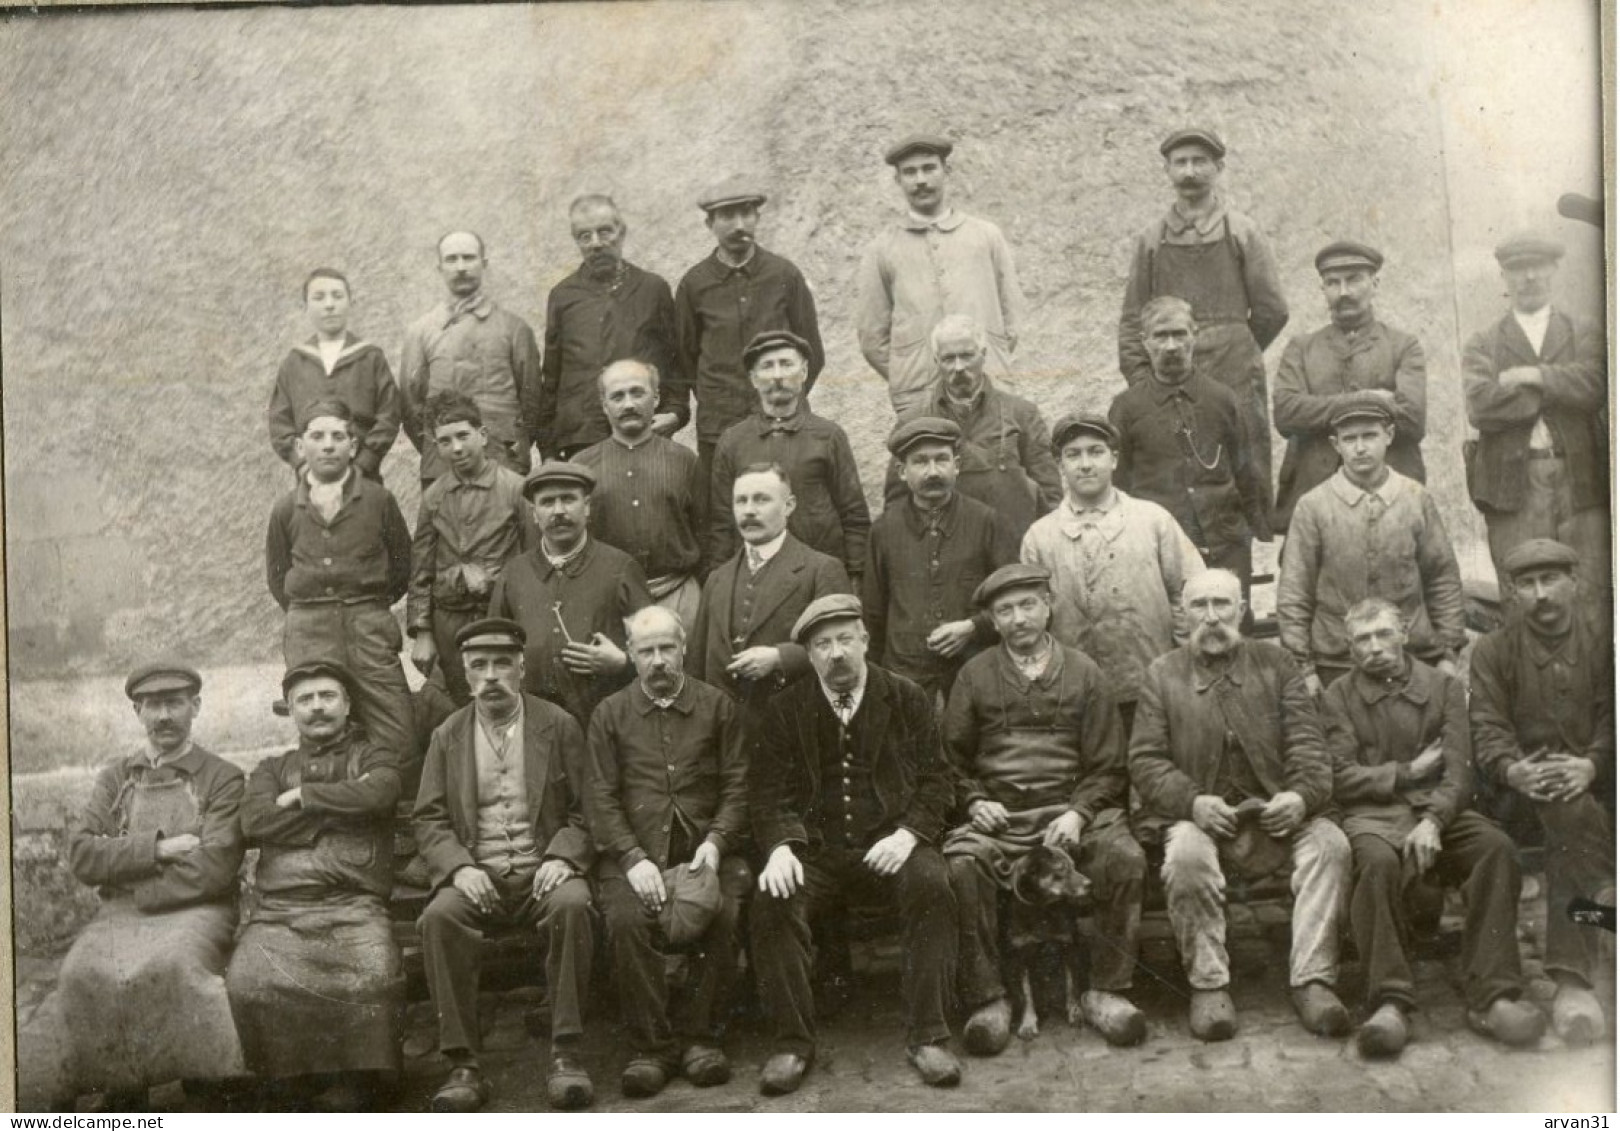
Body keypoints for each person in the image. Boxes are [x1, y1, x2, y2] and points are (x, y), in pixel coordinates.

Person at [748, 594, 961, 1094]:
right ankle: (792, 1042)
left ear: (865, 640)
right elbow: (767, 793)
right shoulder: (786, 709)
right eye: (822, 644)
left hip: (891, 843)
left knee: (932, 882)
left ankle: (929, 1034)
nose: (836, 653)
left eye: (846, 639)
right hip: (816, 853)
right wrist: (780, 846)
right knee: (772, 898)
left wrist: (908, 835)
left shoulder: (905, 697)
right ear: (809, 654)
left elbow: (937, 781)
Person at [1129, 570, 1351, 1041]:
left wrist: (1300, 795)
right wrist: (1193, 802)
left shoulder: (1277, 664)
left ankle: (1312, 979)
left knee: (1331, 846)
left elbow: (1310, 746)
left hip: (1276, 810)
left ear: (1243, 610)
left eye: (1222, 605)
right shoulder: (1162, 673)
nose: (1212, 618)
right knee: (1185, 857)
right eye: (1200, 606)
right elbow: (1145, 761)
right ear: (1182, 615)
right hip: (1200, 816)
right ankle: (1209, 984)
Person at [1323, 598, 1544, 1058]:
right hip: (1373, 814)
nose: (1375, 648)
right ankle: (1390, 1000)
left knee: (1494, 848)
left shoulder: (1443, 687)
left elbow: (1460, 769)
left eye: (1384, 634)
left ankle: (1494, 994)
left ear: (1403, 633)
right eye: (1363, 640)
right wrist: (1403, 773)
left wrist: (1433, 820)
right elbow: (1338, 774)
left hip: (1438, 809)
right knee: (1378, 863)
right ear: (1349, 647)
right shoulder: (1337, 697)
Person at [943, 564, 1148, 1055]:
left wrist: (1078, 812)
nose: (1018, 619)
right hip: (1002, 818)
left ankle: (1105, 988)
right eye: (1005, 610)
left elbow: (1108, 765)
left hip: (1073, 811)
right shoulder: (974, 675)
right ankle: (990, 999)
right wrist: (975, 801)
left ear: (1048, 606)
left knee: (1123, 859)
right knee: (962, 868)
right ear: (993, 620)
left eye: (1028, 605)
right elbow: (948, 761)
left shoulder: (1084, 672)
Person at [412, 619, 597, 1111]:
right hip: (479, 875)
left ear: (521, 667)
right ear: (466, 675)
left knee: (573, 903)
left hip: (543, 872)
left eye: (501, 664)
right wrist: (458, 868)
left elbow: (588, 810)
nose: (490, 676)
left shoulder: (557, 725)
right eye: (479, 666)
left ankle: (566, 1053)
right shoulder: (448, 735)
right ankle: (463, 1063)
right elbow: (428, 816)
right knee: (438, 917)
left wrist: (562, 854)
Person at [58, 661, 245, 1109]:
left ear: (194, 707)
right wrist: (157, 850)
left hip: (198, 908)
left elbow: (216, 865)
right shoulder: (117, 778)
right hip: (119, 915)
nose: (164, 716)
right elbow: (82, 855)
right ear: (137, 713)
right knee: (80, 972)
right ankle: (122, 1086)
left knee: (177, 967)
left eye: (174, 703)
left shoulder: (222, 777)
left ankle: (207, 1080)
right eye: (152, 705)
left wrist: (132, 881)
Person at [584, 606, 752, 1097]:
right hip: (633, 854)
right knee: (625, 920)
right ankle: (652, 1047)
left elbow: (739, 787)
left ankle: (702, 1038)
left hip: (706, 849)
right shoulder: (609, 715)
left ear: (682, 649)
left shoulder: (718, 706)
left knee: (725, 908)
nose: (658, 660)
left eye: (667, 649)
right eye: (646, 651)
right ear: (631, 655)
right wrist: (633, 859)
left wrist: (717, 844)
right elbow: (600, 797)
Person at [226, 661, 405, 1110]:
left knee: (370, 977)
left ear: (347, 706)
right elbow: (254, 819)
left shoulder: (373, 756)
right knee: (249, 979)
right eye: (304, 700)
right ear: (290, 711)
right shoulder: (272, 769)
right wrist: (335, 819)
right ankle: (291, 1077)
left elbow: (381, 793)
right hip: (280, 912)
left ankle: (362, 1080)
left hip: (354, 905)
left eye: (328, 696)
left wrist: (307, 797)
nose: (317, 707)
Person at [1469, 539, 1614, 1046]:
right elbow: (1486, 725)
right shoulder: (1493, 652)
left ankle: (1574, 973)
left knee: (1575, 814)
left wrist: (1592, 764)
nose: (1540, 595)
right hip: (1515, 797)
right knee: (1565, 817)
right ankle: (1586, 937)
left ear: (1575, 582)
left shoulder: (1605, 646)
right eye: (1527, 585)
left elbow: (1612, 719)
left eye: (1550, 580)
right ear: (1512, 594)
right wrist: (1511, 769)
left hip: (1593, 787)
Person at [1118, 127, 1288, 515]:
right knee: (1174, 461)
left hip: (1233, 368)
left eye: (1200, 161)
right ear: (1167, 170)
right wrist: (1145, 380)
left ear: (1219, 167)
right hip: (1171, 371)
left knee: (1242, 459)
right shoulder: (1151, 240)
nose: (1190, 171)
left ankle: (1248, 551)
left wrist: (1237, 344)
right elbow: (1132, 318)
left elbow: (1272, 309)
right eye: (1181, 162)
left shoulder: (1243, 231)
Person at [1020, 411, 1202, 734]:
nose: (1085, 464)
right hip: (1076, 695)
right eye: (1073, 455)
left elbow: (1190, 593)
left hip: (1152, 685)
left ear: (1114, 459)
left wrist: (1185, 664)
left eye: (1096, 452)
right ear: (1060, 466)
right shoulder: (1039, 537)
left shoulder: (1152, 520)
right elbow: (1034, 620)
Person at [1277, 394, 1465, 695]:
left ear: (1389, 436)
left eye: (1370, 436)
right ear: (1335, 444)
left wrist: (1448, 654)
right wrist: (1305, 668)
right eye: (1349, 439)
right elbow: (1294, 593)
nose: (1360, 447)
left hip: (1412, 656)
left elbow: (1442, 578)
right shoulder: (1312, 506)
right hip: (1337, 663)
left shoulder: (1415, 498)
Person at [1462, 232, 1609, 615]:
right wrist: (1561, 385)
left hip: (1581, 477)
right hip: (1513, 482)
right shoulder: (1484, 342)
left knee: (1589, 588)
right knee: (1521, 589)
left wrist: (1534, 376)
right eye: (1517, 269)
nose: (1528, 277)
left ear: (1554, 269)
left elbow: (1597, 385)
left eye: (1537, 266)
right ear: (1504, 277)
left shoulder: (1585, 331)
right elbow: (1480, 405)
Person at [265, 398, 415, 772]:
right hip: (310, 629)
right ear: (301, 446)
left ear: (353, 445)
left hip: (368, 626)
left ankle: (393, 811)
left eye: (337, 436)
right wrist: (315, 611)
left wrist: (366, 605)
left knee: (396, 726)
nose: (328, 445)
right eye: (317, 436)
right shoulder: (285, 509)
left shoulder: (379, 501)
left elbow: (402, 566)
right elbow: (279, 576)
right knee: (321, 723)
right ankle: (328, 808)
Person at [673, 176, 825, 521]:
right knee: (726, 516)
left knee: (787, 508)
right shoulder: (694, 284)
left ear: (757, 217)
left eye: (746, 213)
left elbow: (811, 351)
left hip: (782, 423)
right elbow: (686, 359)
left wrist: (784, 399)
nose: (739, 225)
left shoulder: (784, 274)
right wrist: (718, 397)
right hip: (720, 426)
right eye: (727, 216)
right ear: (709, 223)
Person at [1110, 295, 1269, 615]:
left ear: (1195, 336)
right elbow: (1119, 486)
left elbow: (1246, 474)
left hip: (1226, 543)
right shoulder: (1126, 408)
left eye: (1179, 334)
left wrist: (1251, 535)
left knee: (1234, 629)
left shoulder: (1222, 399)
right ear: (1145, 343)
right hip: (1160, 549)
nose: (1171, 346)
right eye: (1161, 336)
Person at [856, 134, 1025, 416]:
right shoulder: (881, 249)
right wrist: (908, 372)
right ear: (898, 181)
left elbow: (1012, 319)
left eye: (929, 168)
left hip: (989, 388)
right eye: (909, 172)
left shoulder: (985, 236)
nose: (920, 180)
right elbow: (872, 338)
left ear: (947, 171)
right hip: (920, 395)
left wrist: (981, 364)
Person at [1273, 241, 1427, 532]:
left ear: (1375, 283)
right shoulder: (1301, 348)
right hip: (1315, 498)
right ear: (1323, 289)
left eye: (1354, 279)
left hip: (1390, 498)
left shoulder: (1403, 346)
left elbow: (1412, 419)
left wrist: (1318, 409)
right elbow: (1285, 414)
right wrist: (1368, 398)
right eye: (1332, 282)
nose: (1343, 292)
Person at [863, 417, 1018, 704]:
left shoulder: (988, 522)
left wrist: (973, 627)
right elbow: (873, 615)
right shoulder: (883, 531)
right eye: (920, 462)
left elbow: (1014, 601)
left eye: (941, 460)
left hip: (975, 672)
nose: (932, 471)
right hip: (905, 677)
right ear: (901, 471)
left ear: (956, 465)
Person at [486, 461, 651, 728]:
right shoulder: (513, 574)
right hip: (532, 726)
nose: (559, 511)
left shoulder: (621, 568)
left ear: (587, 507)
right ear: (534, 513)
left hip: (603, 724)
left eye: (568, 500)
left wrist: (622, 662)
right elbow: (493, 650)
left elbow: (658, 649)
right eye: (548, 502)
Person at [407, 392, 537, 707]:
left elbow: (534, 561)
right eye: (445, 441)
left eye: (463, 436)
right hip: (449, 619)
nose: (457, 448)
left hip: (501, 613)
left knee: (507, 696)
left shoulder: (515, 488)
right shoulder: (434, 496)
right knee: (459, 701)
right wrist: (422, 631)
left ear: (482, 435)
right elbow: (421, 569)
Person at [885, 314, 1063, 542]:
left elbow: (1050, 494)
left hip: (1010, 546)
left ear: (983, 355)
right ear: (936, 361)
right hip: (942, 551)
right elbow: (896, 504)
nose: (958, 367)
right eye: (948, 358)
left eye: (966, 356)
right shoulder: (912, 421)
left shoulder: (1021, 414)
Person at [708, 330, 869, 582]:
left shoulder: (828, 436)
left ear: (803, 373)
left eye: (786, 364)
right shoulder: (733, 441)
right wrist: (718, 580)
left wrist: (856, 576)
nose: (777, 375)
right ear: (753, 378)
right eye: (767, 366)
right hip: (755, 578)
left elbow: (854, 514)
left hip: (820, 575)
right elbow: (719, 522)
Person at [689, 462, 851, 704]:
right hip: (725, 730)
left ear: (789, 505)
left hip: (791, 725)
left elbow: (846, 651)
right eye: (741, 501)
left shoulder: (821, 569)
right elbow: (696, 666)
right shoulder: (717, 579)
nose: (749, 510)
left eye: (761, 500)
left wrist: (780, 658)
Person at [539, 195, 678, 459]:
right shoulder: (562, 295)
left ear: (621, 233)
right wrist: (547, 449)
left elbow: (675, 359)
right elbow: (552, 377)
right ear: (577, 241)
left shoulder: (653, 289)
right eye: (585, 236)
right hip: (581, 437)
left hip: (641, 428)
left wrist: (676, 411)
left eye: (604, 232)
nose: (596, 244)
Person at [575, 359, 708, 633]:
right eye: (617, 396)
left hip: (677, 595)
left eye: (637, 392)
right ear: (604, 405)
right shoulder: (582, 467)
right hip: (610, 602)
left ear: (656, 398)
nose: (628, 404)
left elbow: (707, 533)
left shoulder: (685, 461)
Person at [400, 230, 543, 483]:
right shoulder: (421, 332)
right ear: (439, 268)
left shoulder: (514, 328)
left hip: (502, 461)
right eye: (452, 260)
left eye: (469, 258)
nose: (461, 267)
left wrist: (511, 444)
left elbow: (532, 400)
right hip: (443, 467)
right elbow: (412, 406)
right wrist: (440, 445)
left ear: (484, 264)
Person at [267, 267, 401, 482]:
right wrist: (301, 465)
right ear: (306, 307)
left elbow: (389, 414)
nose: (329, 305)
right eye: (319, 298)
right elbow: (279, 422)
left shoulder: (370, 358)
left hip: (364, 478)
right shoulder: (294, 363)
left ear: (350, 302)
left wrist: (364, 463)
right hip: (310, 480)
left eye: (337, 296)